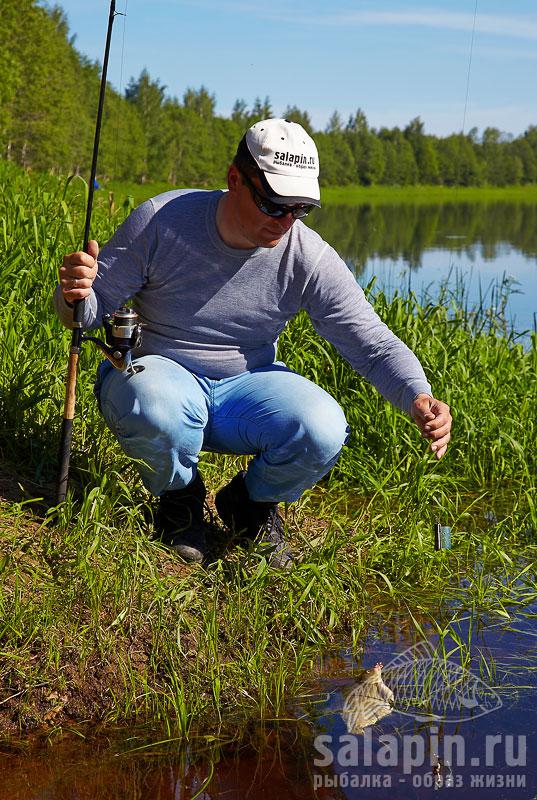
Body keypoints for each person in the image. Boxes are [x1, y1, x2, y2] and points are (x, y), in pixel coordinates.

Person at [55, 118, 451, 568]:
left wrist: (419, 395)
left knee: (322, 426)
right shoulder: (162, 220)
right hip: (158, 377)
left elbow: (373, 344)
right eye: (272, 203)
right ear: (234, 180)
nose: (285, 221)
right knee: (152, 400)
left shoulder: (308, 256)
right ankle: (180, 501)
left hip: (244, 390)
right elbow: (86, 313)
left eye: (299, 207)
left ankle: (250, 505)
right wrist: (74, 294)